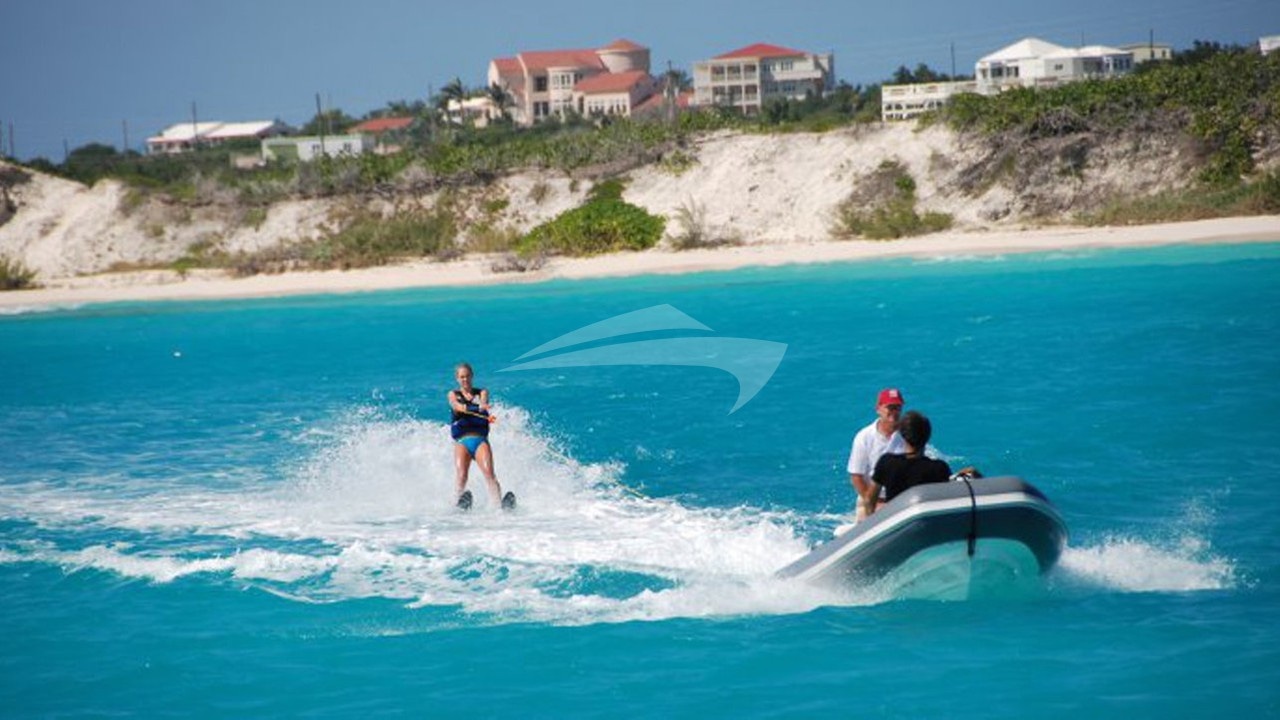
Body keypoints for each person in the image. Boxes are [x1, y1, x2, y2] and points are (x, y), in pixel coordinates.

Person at [862, 410, 953, 516]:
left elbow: (869, 500)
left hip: (894, 521)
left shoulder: (887, 462)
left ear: (902, 435)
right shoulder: (939, 468)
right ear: (928, 436)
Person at [448, 362, 512, 510]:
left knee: (489, 473)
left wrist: (482, 406)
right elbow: (455, 405)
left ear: (472, 376)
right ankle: (456, 505)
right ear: (457, 378)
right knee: (462, 476)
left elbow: (483, 402)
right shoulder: (453, 394)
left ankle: (498, 506)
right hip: (462, 442)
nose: (465, 380)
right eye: (462, 377)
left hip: (480, 441)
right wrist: (465, 407)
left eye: (467, 376)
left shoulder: (481, 392)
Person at [846, 388, 907, 523]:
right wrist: (874, 503)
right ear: (878, 409)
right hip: (871, 498)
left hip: (902, 500)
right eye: (890, 407)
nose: (894, 412)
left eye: (897, 408)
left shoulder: (908, 434)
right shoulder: (864, 437)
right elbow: (856, 476)